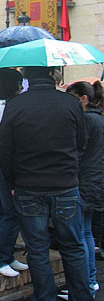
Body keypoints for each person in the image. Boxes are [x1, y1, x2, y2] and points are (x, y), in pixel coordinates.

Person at [0, 67, 90, 301]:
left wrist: (11, 180)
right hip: (65, 182)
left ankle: (45, 296)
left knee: (37, 249)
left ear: (27, 76)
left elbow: (5, 149)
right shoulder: (70, 103)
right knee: (73, 245)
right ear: (51, 74)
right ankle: (81, 295)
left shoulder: (15, 105)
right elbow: (81, 142)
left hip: (29, 183)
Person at [0, 68, 28, 277]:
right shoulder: (1, 107)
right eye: (19, 84)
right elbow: (7, 139)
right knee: (11, 213)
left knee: (7, 212)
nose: (21, 88)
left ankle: (7, 255)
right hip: (2, 163)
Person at [66, 81, 104, 295]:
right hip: (95, 181)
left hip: (85, 181)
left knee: (80, 234)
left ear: (83, 99)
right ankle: (90, 279)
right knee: (86, 232)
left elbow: (79, 149)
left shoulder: (87, 121)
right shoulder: (98, 119)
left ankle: (87, 281)